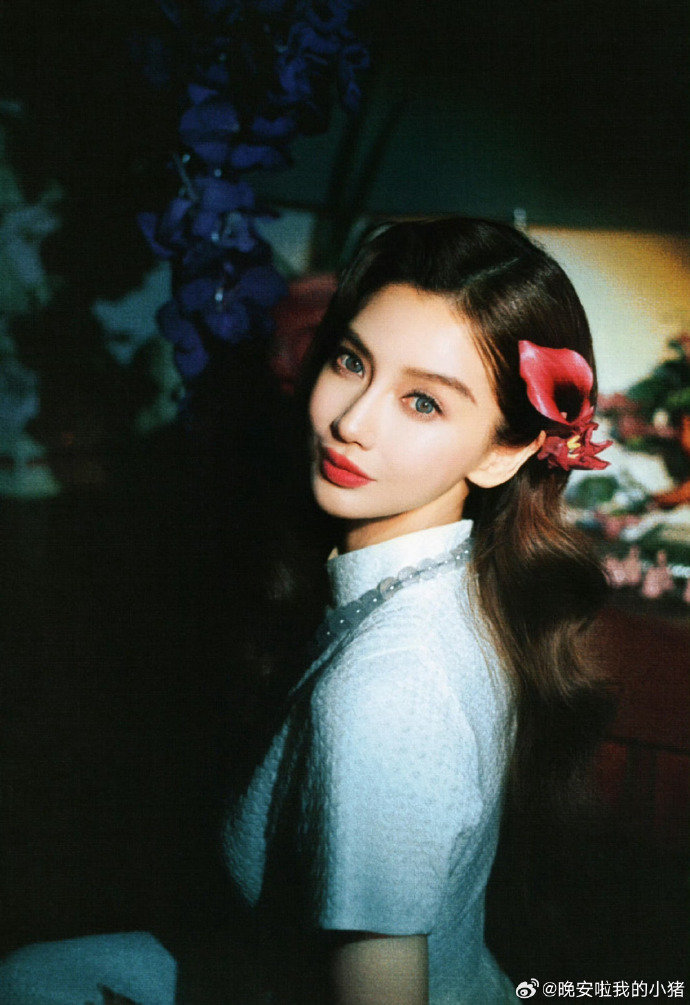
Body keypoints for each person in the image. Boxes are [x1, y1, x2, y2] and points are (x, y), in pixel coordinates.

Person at [0, 217, 611, 1003]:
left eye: (422, 401)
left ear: (505, 451)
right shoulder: (449, 582)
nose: (352, 420)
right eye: (352, 360)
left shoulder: (389, 691)